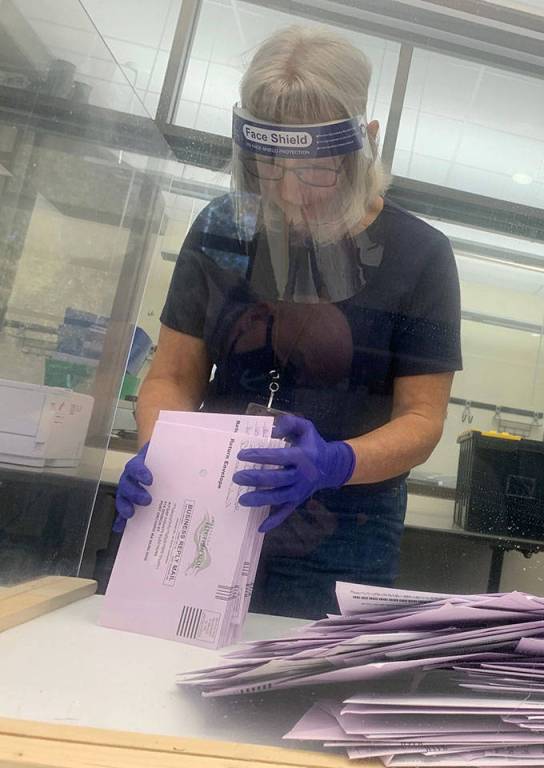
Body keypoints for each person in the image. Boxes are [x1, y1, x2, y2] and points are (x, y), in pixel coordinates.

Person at [112, 26, 462, 619]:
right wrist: (160, 452)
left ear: (367, 142)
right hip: (206, 505)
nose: (292, 193)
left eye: (317, 171)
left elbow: (422, 419)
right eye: (268, 168)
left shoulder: (420, 254)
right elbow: (172, 375)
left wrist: (335, 462)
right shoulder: (224, 228)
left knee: (302, 674)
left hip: (345, 529)